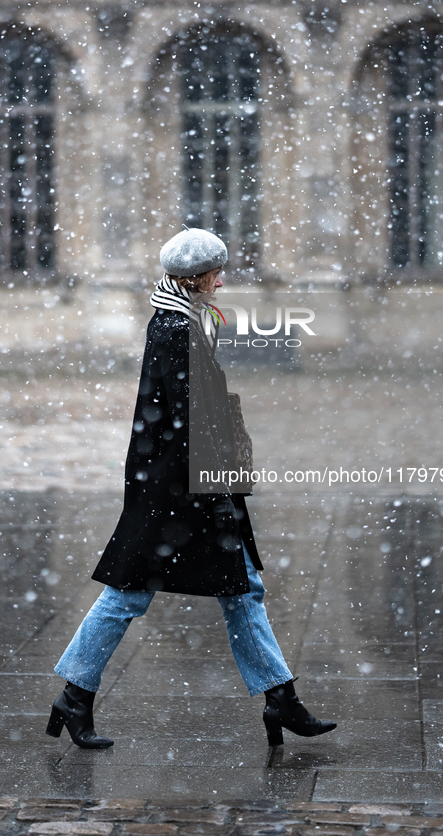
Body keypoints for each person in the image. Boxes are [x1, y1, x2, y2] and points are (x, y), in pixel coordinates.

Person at [46, 228, 336, 749]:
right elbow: (186, 420)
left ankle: (281, 700)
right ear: (196, 277)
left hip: (189, 486)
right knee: (129, 595)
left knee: (242, 590)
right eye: (216, 272)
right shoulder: (176, 328)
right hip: (178, 493)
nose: (222, 281)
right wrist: (218, 483)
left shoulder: (184, 320)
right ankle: (74, 696)